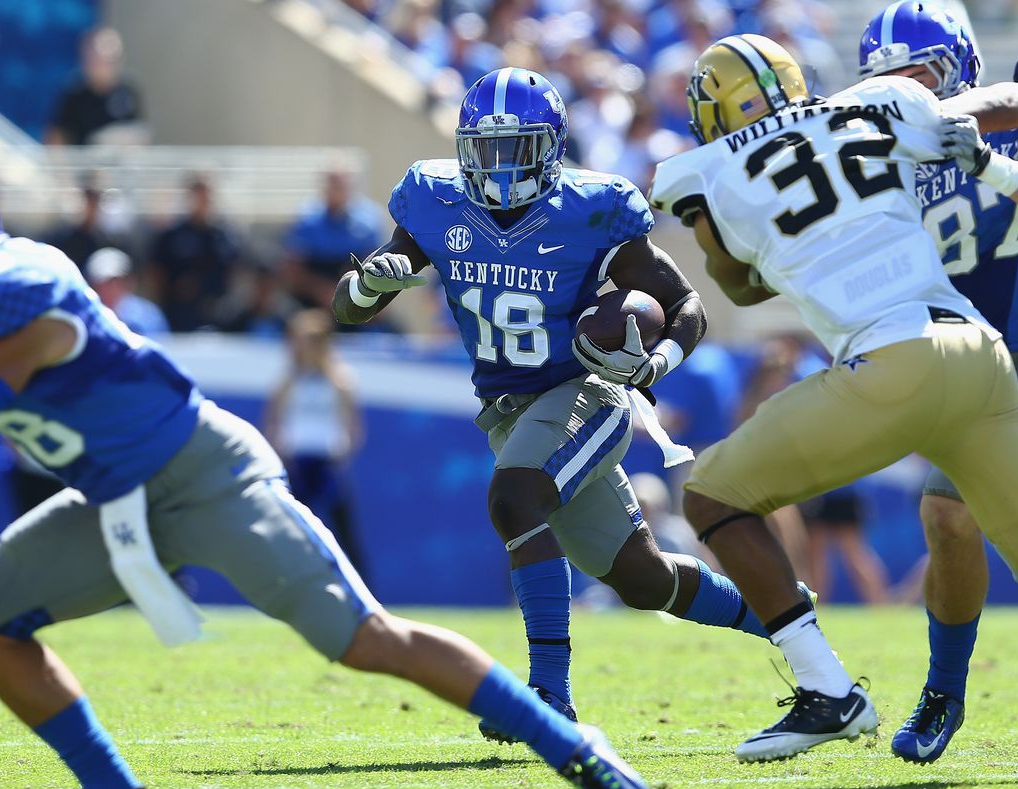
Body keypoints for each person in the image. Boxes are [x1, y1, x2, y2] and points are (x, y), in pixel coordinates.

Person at [0, 159, 649, 789]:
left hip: (205, 476)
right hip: (113, 498)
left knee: (367, 640)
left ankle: (573, 748)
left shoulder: (11, 287)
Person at [650, 32, 1018, 762]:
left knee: (712, 497)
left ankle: (827, 692)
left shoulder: (703, 169)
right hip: (980, 359)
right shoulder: (877, 102)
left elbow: (739, 283)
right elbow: (989, 104)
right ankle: (916, 693)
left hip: (894, 365)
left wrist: (791, 246)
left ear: (714, 113)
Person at [334, 67, 803, 745]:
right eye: (485, 149)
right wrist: (369, 286)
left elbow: (685, 306)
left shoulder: (590, 208)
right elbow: (350, 306)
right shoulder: (434, 199)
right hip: (509, 412)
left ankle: (550, 695)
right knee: (644, 579)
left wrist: (655, 364)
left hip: (584, 392)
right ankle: (795, 622)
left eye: (514, 148)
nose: (496, 166)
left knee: (514, 499)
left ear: (550, 148)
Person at [855, 1, 1018, 765]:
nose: (906, 90)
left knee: (956, 514)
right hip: (954, 371)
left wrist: (985, 161)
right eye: (889, 78)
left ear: (962, 66)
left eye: (921, 72)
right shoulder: (876, 148)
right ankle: (943, 692)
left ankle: (942, 692)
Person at [265, 309, 364, 575]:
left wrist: (342, 454)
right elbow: (274, 417)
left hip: (327, 461)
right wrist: (281, 451)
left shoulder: (340, 378)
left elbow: (353, 423)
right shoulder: (290, 377)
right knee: (294, 529)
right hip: (297, 461)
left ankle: (362, 589)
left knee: (343, 531)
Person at [147, 175, 243, 332]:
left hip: (218, 315)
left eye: (207, 194)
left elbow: (236, 269)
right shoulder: (173, 234)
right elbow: (156, 271)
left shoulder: (224, 234)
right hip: (180, 314)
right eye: (199, 194)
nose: (204, 200)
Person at [283, 171, 385, 312]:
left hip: (356, 293)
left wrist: (349, 291)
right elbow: (294, 270)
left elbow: (376, 265)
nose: (336, 190)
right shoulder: (306, 218)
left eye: (340, 185)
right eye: (331, 184)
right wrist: (323, 291)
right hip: (311, 299)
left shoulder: (369, 220)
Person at [46, 27, 148, 147]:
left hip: (119, 164)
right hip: (82, 163)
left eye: (112, 58)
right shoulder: (74, 92)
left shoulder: (128, 91)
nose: (104, 64)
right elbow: (56, 135)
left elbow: (138, 132)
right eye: (97, 59)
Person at [86, 247, 169, 337]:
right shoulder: (84, 313)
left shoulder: (149, 316)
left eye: (116, 283)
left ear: (129, 283)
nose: (109, 289)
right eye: (102, 284)